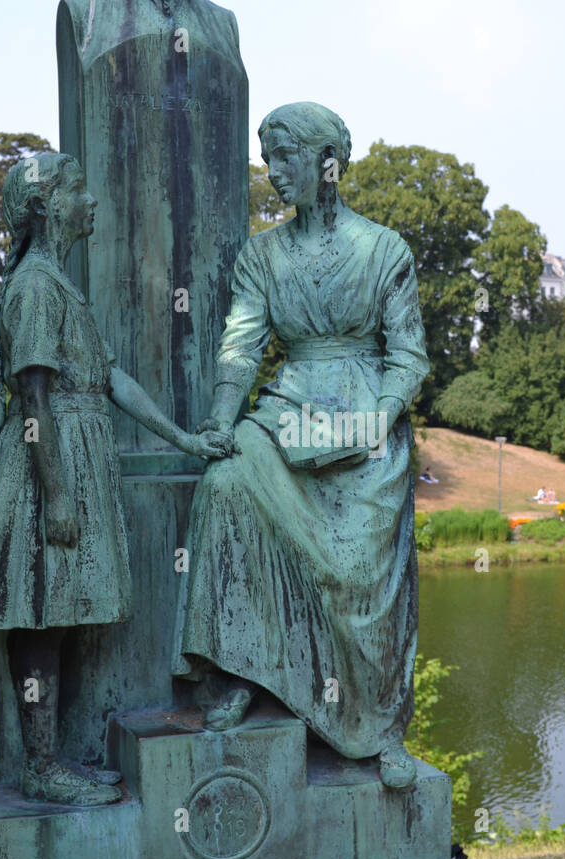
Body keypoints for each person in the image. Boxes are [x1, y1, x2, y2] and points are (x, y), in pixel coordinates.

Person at [0, 153, 229, 806]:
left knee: (58, 618)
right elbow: (35, 399)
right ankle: (43, 767)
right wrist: (56, 497)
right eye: (78, 189)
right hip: (45, 469)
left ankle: (50, 761)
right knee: (42, 619)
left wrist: (185, 438)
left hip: (69, 460)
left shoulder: (56, 283)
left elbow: (111, 379)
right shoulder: (37, 285)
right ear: (48, 205)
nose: (92, 199)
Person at [174, 102, 429, 789]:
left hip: (365, 420)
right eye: (267, 156)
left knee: (356, 576)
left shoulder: (384, 251)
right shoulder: (262, 254)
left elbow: (408, 356)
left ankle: (381, 729)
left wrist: (375, 417)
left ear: (327, 164)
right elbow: (241, 344)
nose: (272, 171)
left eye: (284, 156)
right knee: (225, 486)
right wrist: (223, 418)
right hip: (286, 415)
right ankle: (236, 672)